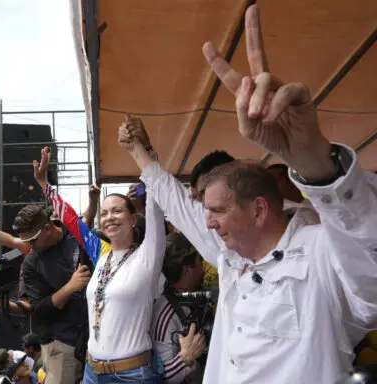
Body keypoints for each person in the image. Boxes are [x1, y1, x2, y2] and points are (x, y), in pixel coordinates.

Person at [118, 5, 377, 383]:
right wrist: (138, 152)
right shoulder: (229, 255)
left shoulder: (323, 250)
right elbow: (177, 203)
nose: (206, 222)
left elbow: (369, 274)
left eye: (218, 211)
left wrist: (317, 164)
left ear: (258, 209)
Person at [33, 135, 166, 383]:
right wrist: (44, 185)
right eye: (104, 213)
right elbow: (72, 220)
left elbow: (155, 204)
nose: (109, 217)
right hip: (93, 372)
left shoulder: (148, 255)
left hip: (133, 375)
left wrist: (147, 156)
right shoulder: (102, 253)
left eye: (117, 211)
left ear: (133, 219)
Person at [14, 204, 89, 384]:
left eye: (32, 240)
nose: (29, 246)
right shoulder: (31, 263)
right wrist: (69, 287)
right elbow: (38, 308)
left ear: (47, 228)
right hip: (62, 343)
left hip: (96, 338)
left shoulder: (76, 236)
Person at [151, 233, 207, 383]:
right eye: (199, 261)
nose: (203, 269)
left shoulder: (192, 300)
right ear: (187, 270)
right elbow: (159, 377)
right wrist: (186, 359)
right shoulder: (166, 315)